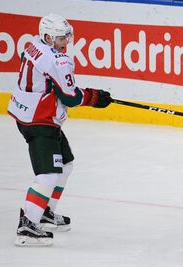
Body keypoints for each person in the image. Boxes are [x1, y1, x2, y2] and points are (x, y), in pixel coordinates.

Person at [8, 14, 113, 247]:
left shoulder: (33, 46)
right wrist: (95, 97)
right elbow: (70, 97)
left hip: (30, 114)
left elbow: (53, 85)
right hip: (39, 120)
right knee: (48, 175)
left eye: (67, 35)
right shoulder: (58, 60)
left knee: (66, 164)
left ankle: (44, 211)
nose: (65, 41)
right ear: (47, 37)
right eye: (59, 37)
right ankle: (27, 226)